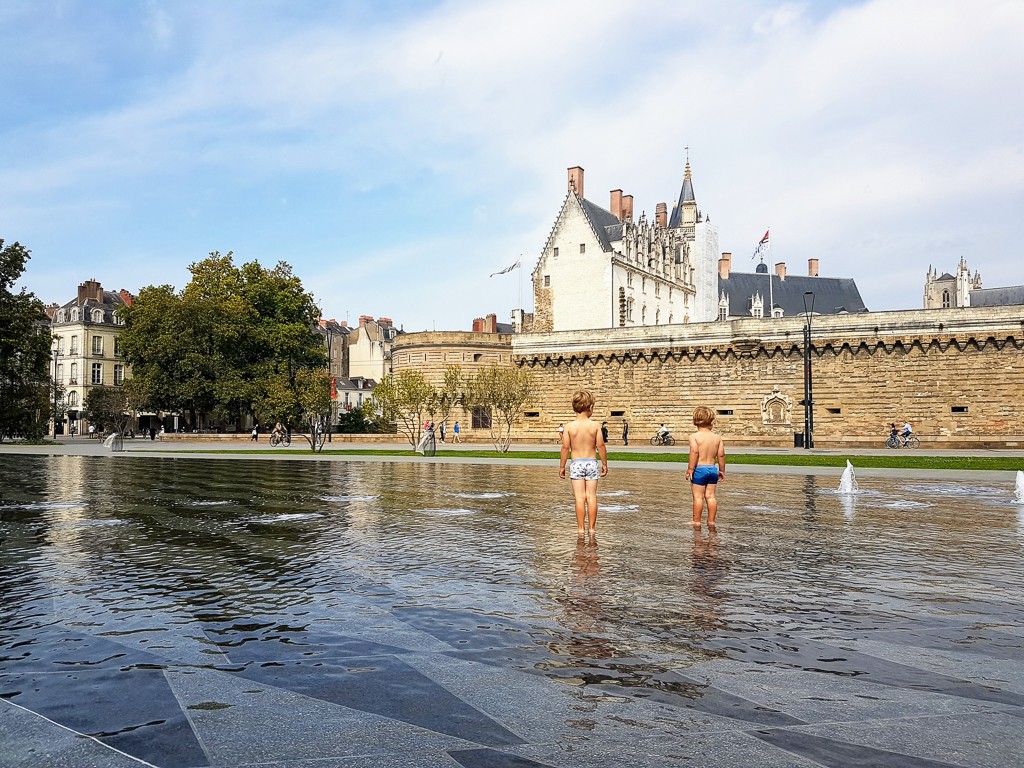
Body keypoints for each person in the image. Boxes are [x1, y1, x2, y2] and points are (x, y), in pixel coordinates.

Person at [558, 390, 608, 536]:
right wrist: (604, 464)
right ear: (590, 407)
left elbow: (565, 447)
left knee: (579, 497)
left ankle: (580, 529)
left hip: (576, 463)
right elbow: (601, 446)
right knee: (591, 496)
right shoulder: (595, 426)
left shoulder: (569, 427)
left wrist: (562, 466)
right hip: (591, 463)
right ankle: (592, 528)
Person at [685, 406, 726, 527]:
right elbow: (721, 455)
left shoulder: (694, 437)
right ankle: (711, 521)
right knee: (711, 496)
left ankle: (696, 521)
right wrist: (722, 470)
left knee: (698, 497)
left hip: (700, 469)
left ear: (695, 421)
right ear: (711, 421)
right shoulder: (717, 438)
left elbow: (694, 452)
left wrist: (690, 469)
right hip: (712, 469)